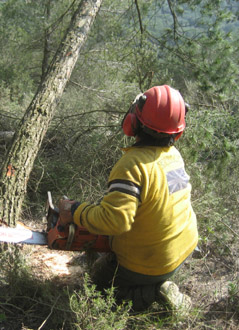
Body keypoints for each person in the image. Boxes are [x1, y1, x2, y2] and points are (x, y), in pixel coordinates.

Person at [58, 85, 198, 312]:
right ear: (177, 131)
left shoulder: (132, 165)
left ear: (134, 122)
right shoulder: (173, 156)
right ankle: (154, 281)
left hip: (151, 263)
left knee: (97, 288)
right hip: (183, 248)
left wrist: (75, 210)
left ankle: (153, 293)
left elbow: (116, 222)